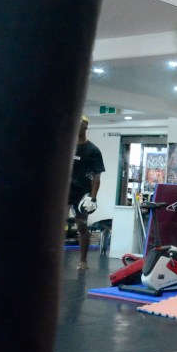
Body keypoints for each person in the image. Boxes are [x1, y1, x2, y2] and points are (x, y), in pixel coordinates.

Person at [68, 116, 105, 271]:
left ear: (85, 127)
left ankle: (83, 261)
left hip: (81, 194)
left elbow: (97, 176)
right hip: (65, 190)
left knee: (82, 226)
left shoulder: (93, 150)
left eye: (80, 124)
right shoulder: (67, 146)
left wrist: (93, 197)